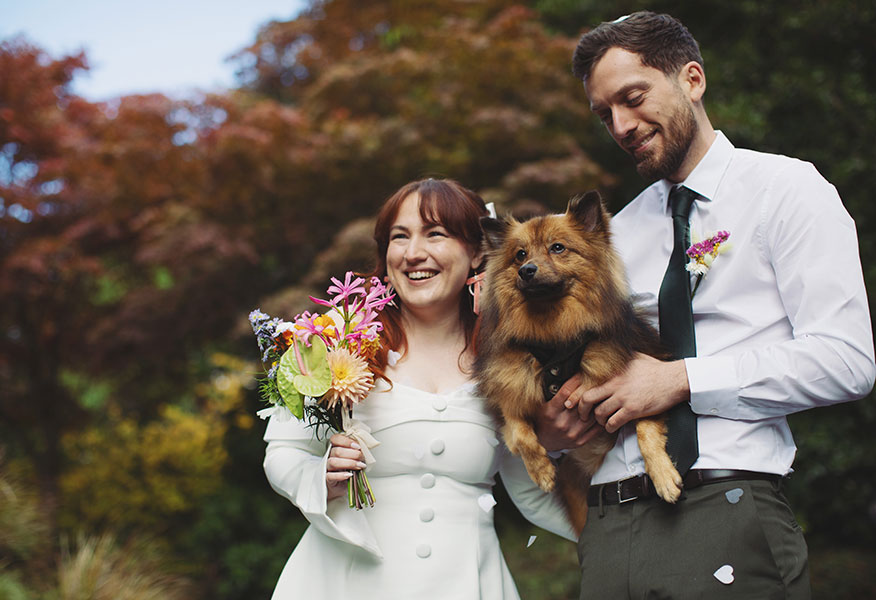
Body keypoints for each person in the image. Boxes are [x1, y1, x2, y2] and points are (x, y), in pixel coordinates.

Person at [537, 11, 875, 599]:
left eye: (632, 97)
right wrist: (554, 426)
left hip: (728, 508)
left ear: (692, 79)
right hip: (607, 524)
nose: (620, 125)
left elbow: (846, 360)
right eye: (603, 114)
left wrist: (682, 381)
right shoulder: (616, 234)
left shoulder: (788, 190)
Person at [261, 178, 577, 600]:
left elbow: (532, 491)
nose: (413, 254)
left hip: (467, 584)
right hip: (342, 583)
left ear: (478, 252)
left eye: (435, 234)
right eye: (399, 237)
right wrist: (323, 478)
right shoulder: (337, 338)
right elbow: (283, 451)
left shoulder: (512, 363)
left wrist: (625, 533)